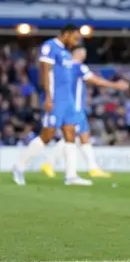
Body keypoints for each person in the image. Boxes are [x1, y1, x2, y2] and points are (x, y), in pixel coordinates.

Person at [13, 24, 93, 186]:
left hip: (68, 100)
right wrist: (48, 97)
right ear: (67, 33)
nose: (75, 41)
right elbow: (45, 72)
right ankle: (19, 166)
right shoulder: (50, 47)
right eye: (75, 37)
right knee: (47, 135)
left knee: (70, 134)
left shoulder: (65, 52)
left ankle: (71, 176)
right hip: (56, 100)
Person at [46, 46, 130, 177]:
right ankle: (49, 163)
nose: (84, 55)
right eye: (83, 52)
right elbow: (96, 81)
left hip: (70, 106)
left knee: (84, 137)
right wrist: (116, 85)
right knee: (72, 137)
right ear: (78, 53)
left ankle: (93, 168)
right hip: (75, 108)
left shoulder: (63, 68)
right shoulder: (79, 67)